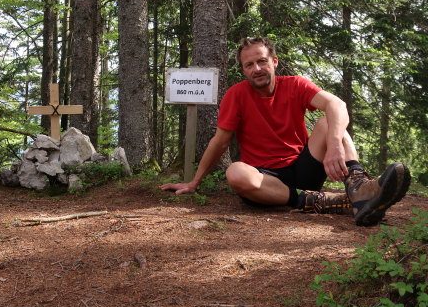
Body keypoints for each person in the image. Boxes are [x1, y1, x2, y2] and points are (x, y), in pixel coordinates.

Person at [161, 36, 410, 226]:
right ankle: (327, 202)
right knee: (235, 172)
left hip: (303, 168)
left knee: (328, 122)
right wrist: (194, 182)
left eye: (261, 61)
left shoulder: (294, 85)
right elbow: (220, 141)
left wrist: (333, 144)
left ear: (274, 62)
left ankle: (358, 186)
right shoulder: (236, 95)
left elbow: (337, 105)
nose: (256, 68)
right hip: (265, 179)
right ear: (243, 70)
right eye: (249, 65)